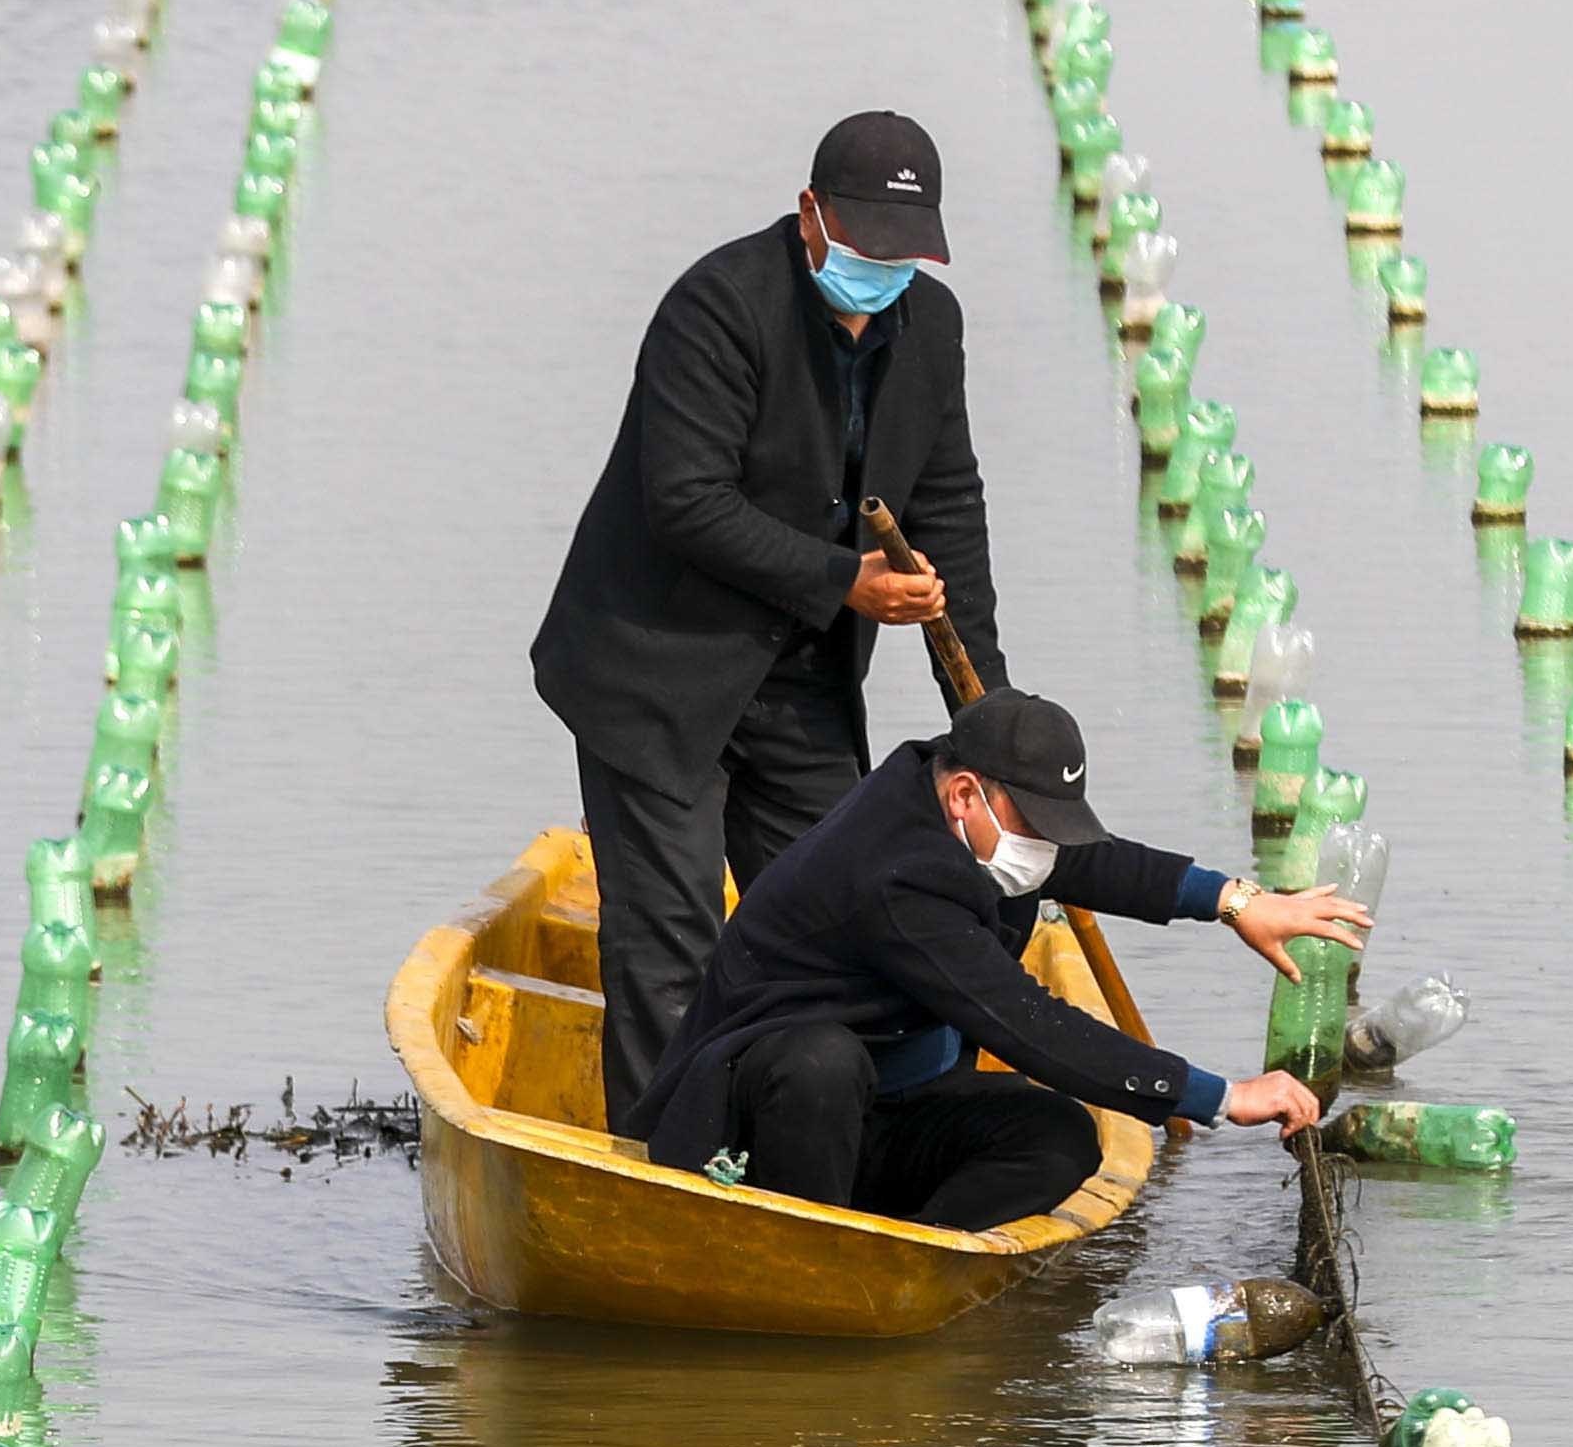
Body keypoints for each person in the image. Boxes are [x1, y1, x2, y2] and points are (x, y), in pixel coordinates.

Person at [530, 107, 1009, 1135]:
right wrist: (848, 584)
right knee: (671, 946)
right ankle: (664, 1169)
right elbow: (685, 501)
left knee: (856, 915)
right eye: (861, 249)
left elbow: (949, 507)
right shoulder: (718, 306)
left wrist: (990, 717)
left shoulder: (931, 327)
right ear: (808, 216)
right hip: (654, 670)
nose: (879, 273)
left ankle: (845, 1154)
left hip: (797, 681)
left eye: (902, 255)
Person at [625, 692, 1364, 1230]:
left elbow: (1094, 865)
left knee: (1059, 1136)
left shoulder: (946, 798)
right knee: (820, 1062)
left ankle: (914, 1253)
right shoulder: (897, 877)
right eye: (1035, 827)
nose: (1045, 848)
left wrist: (1234, 900)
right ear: (963, 795)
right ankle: (808, 1245)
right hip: (768, 1119)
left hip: (887, 1107)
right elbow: (1028, 1026)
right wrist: (1218, 1095)